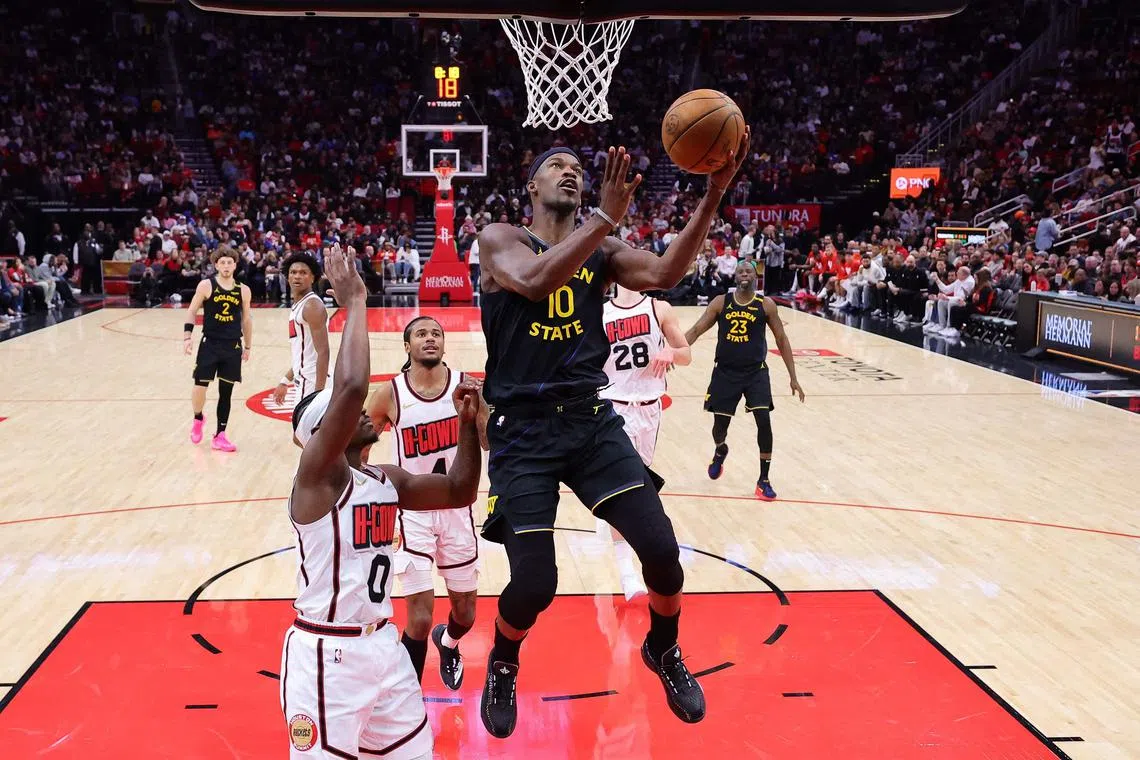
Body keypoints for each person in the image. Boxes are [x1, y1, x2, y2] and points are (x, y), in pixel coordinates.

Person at [476, 137, 749, 738]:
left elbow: (665, 272)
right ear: (532, 185)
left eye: (579, 168)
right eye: (557, 166)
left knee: (662, 552)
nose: (572, 174)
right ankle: (503, 658)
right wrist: (604, 219)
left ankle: (663, 647)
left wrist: (713, 195)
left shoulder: (603, 246)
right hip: (522, 432)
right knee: (535, 584)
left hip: (588, 420)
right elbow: (534, 282)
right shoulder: (500, 239)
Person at [281, 246, 483, 760]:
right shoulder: (318, 480)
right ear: (325, 433)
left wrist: (464, 424)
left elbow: (459, 489)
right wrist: (356, 301)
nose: (361, 410)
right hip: (327, 653)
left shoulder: (384, 479)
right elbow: (349, 386)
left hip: (383, 649)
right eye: (342, 414)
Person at [366, 316, 488, 692]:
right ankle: (408, 700)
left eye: (436, 334)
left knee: (465, 615)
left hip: (458, 511)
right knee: (417, 619)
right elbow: (358, 448)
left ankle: (449, 642)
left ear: (444, 344)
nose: (429, 339)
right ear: (407, 346)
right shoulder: (390, 393)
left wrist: (479, 413)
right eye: (421, 334)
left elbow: (487, 443)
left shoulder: (466, 386)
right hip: (411, 515)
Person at [598, 283, 691, 600]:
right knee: (625, 490)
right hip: (614, 406)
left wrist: (671, 352)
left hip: (649, 408)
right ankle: (627, 574)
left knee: (639, 488)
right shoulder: (600, 312)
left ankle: (635, 554)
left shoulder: (659, 308)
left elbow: (686, 354)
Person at [684, 260, 805, 501]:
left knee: (764, 420)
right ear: (735, 277)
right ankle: (720, 450)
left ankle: (764, 480)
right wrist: (673, 353)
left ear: (756, 276)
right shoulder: (721, 302)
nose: (745, 274)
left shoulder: (766, 305)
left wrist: (793, 377)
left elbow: (781, 339)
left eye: (749, 270)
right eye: (740, 271)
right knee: (720, 428)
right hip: (725, 372)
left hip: (756, 373)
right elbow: (697, 329)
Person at [183, 247, 252, 452]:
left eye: (229, 262)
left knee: (226, 392)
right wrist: (187, 336)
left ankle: (220, 435)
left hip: (232, 346)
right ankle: (198, 418)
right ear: (216, 265)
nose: (226, 266)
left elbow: (247, 320)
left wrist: (248, 345)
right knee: (200, 387)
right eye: (222, 262)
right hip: (210, 344)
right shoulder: (206, 285)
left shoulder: (243, 289)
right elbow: (192, 311)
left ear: (235, 265)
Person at [274, 253, 331, 409]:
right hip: (305, 378)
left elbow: (323, 352)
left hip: (312, 381)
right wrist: (285, 381)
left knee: (302, 432)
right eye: (293, 272)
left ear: (313, 278)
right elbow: (304, 353)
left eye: (303, 273)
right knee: (305, 432)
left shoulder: (311, 306)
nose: (297, 276)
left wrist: (318, 394)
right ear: (287, 277)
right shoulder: (299, 305)